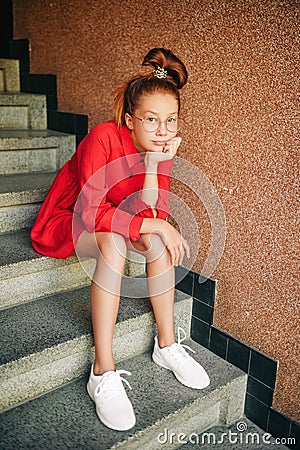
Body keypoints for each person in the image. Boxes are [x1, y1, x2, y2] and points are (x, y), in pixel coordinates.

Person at [30, 47, 210, 432]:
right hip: (72, 218)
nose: (163, 132)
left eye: (171, 121)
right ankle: (102, 370)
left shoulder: (159, 150)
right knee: (113, 242)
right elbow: (89, 213)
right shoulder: (103, 137)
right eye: (151, 120)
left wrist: (152, 166)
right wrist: (157, 224)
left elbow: (153, 212)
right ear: (130, 119)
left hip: (118, 218)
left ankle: (166, 346)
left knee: (158, 242)